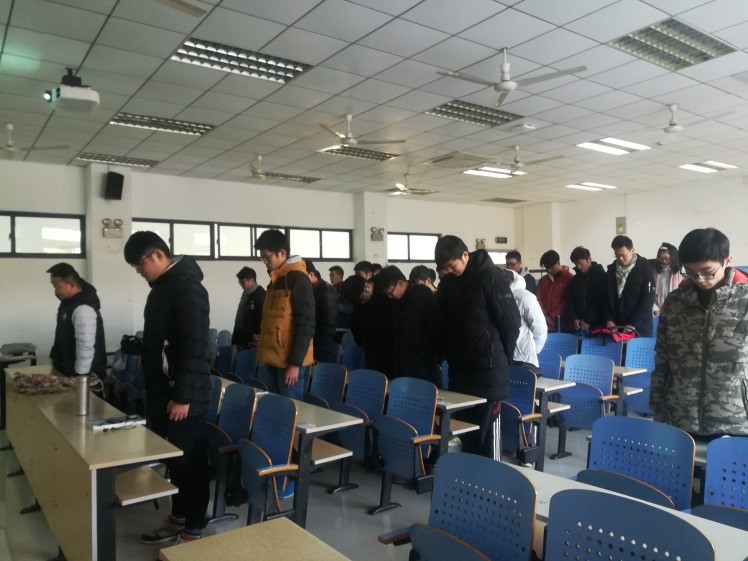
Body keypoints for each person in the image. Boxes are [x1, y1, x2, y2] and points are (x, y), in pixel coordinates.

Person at [124, 231, 211, 544]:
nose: (139, 271)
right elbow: (164, 341)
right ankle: (179, 519)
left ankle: (194, 530)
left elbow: (194, 346)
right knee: (176, 462)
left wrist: (182, 396)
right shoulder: (162, 287)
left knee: (190, 466)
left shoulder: (187, 287)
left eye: (139, 264)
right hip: (165, 393)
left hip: (184, 397)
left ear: (158, 255)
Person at [650, 228, 748, 438]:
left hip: (736, 420)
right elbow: (663, 357)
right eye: (691, 272)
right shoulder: (676, 302)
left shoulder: (744, 301)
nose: (700, 279)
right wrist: (657, 406)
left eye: (707, 271)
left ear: (727, 261)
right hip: (680, 415)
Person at [435, 235, 521, 459]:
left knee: (486, 437)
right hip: (460, 371)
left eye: (451, 265)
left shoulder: (491, 277)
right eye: (445, 268)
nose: (449, 271)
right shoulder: (450, 282)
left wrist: (503, 357)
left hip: (487, 370)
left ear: (465, 255)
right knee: (466, 432)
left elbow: (510, 322)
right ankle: (469, 477)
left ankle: (489, 478)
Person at [255, 229, 315, 399]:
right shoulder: (276, 279)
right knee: (273, 407)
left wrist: (295, 364)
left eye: (267, 257)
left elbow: (306, 324)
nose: (265, 262)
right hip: (272, 359)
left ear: (282, 253)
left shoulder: (299, 278)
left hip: (290, 363)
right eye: (262, 258)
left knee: (290, 410)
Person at [375, 266, 444, 384]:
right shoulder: (396, 302)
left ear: (400, 283)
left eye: (390, 292)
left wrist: (438, 359)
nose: (390, 296)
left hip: (423, 366)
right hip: (402, 364)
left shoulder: (423, 298)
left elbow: (437, 331)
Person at [47, 262, 106, 379]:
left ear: (71, 285)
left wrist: (80, 377)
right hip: (66, 370)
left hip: (84, 376)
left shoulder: (83, 308)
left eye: (57, 286)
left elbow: (85, 346)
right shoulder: (67, 303)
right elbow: (60, 334)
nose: (55, 291)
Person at [603, 235, 655, 337]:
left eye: (623, 255)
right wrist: (608, 319)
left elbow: (648, 299)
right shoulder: (611, 270)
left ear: (632, 250)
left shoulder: (645, 269)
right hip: (616, 326)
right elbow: (605, 298)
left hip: (639, 326)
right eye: (617, 255)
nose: (620, 259)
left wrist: (633, 323)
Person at [501, 268, 547, 376]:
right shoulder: (498, 296)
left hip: (524, 356)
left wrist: (533, 349)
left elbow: (540, 327)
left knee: (524, 384)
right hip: (504, 354)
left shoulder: (524, 296)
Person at [349, 274, 394, 378]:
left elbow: (355, 329)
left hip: (376, 350)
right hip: (381, 350)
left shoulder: (365, 303)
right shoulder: (389, 301)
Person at [566, 246, 607, 334]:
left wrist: (588, 320)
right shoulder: (575, 280)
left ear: (589, 259)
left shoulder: (602, 277)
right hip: (579, 325)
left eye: (580, 263)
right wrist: (574, 318)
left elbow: (600, 301)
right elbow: (570, 300)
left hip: (598, 324)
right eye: (576, 264)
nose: (578, 267)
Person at [305, 260, 338, 363]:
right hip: (312, 344)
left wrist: (319, 354)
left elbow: (329, 324)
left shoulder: (326, 290)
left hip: (321, 349)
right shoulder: (311, 289)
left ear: (311, 275)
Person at [536, 250, 574, 332]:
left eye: (551, 267)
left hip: (563, 324)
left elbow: (566, 301)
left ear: (558, 263)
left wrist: (551, 316)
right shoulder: (543, 281)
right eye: (547, 268)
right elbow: (538, 299)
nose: (549, 270)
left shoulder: (569, 279)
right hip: (544, 323)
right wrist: (544, 316)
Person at [231, 266, 265, 348]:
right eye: (239, 282)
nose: (241, 285)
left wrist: (255, 342)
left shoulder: (260, 294)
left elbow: (260, 320)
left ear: (252, 280)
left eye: (243, 282)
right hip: (241, 338)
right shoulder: (246, 293)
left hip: (252, 342)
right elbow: (240, 317)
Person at [651, 242, 684, 317]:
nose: (664, 261)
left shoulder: (680, 274)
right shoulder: (655, 273)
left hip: (675, 311)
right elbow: (651, 293)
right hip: (659, 311)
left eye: (667, 258)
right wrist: (655, 308)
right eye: (661, 258)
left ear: (673, 257)